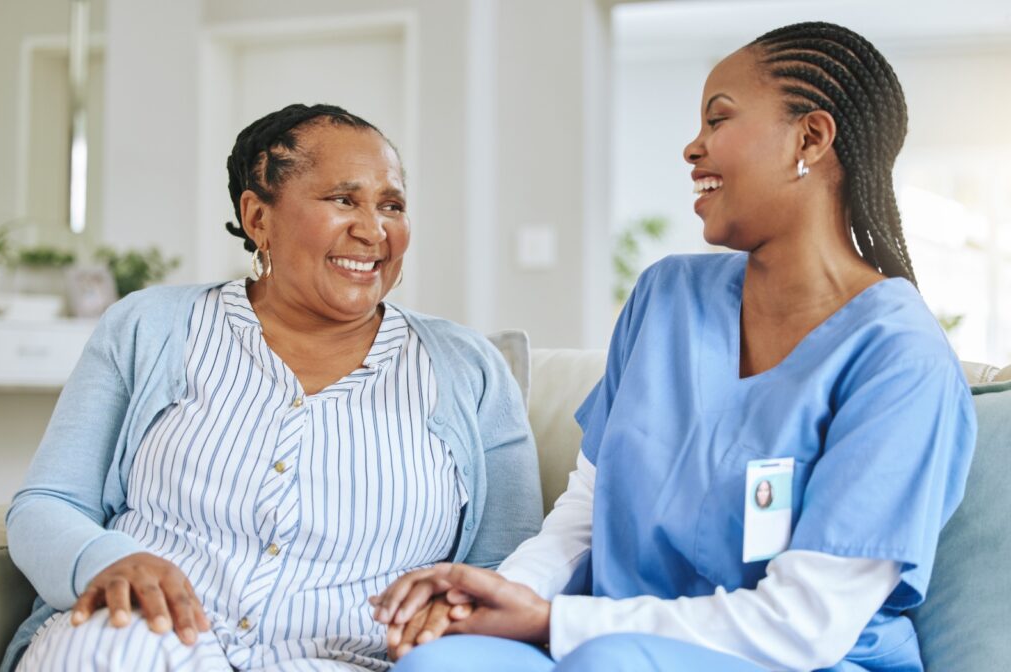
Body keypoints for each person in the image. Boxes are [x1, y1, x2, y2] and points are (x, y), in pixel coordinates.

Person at [370, 22, 977, 672]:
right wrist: (500, 598)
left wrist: (558, 622)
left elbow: (806, 626)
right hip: (600, 639)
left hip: (795, 660)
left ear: (811, 138)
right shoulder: (666, 297)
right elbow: (587, 508)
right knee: (442, 664)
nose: (693, 147)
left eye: (718, 119)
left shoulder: (899, 356)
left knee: (612, 664)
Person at [1, 103, 542, 672]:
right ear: (258, 218)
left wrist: (449, 612)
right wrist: (106, 561)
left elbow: (509, 565)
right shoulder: (150, 327)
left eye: (392, 205)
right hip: (136, 639)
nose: (373, 229)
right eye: (343, 200)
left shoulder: (469, 370)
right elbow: (49, 503)